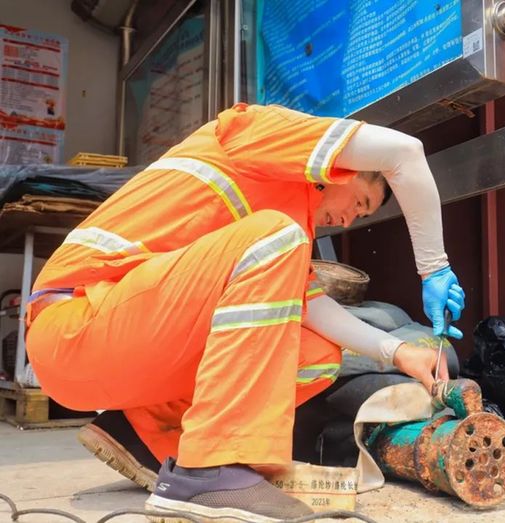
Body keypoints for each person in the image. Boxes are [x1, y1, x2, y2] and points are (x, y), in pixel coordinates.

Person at [25, 103, 465, 522]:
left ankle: (146, 433)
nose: (349, 220)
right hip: (74, 326)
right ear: (343, 168)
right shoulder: (253, 130)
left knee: (315, 351)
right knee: (277, 237)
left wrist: (398, 350)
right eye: (361, 203)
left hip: (126, 345)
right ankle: (210, 470)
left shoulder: (283, 219)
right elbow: (406, 153)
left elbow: (311, 309)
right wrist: (434, 268)